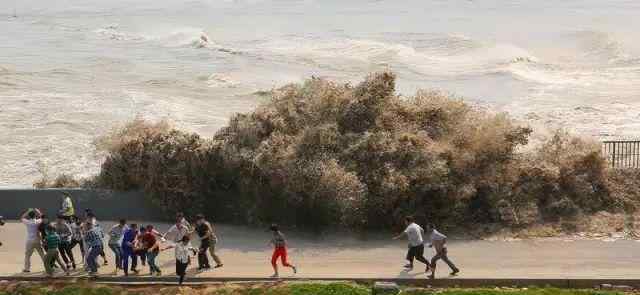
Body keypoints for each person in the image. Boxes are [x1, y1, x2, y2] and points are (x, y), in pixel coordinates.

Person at [21, 208, 45, 273]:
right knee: (42, 254)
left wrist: (28, 211)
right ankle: (47, 266)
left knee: (27, 255)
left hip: (29, 240)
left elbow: (22, 217)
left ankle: (27, 269)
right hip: (37, 240)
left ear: (29, 216)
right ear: (35, 216)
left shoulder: (27, 222)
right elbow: (42, 217)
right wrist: (38, 212)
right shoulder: (38, 221)